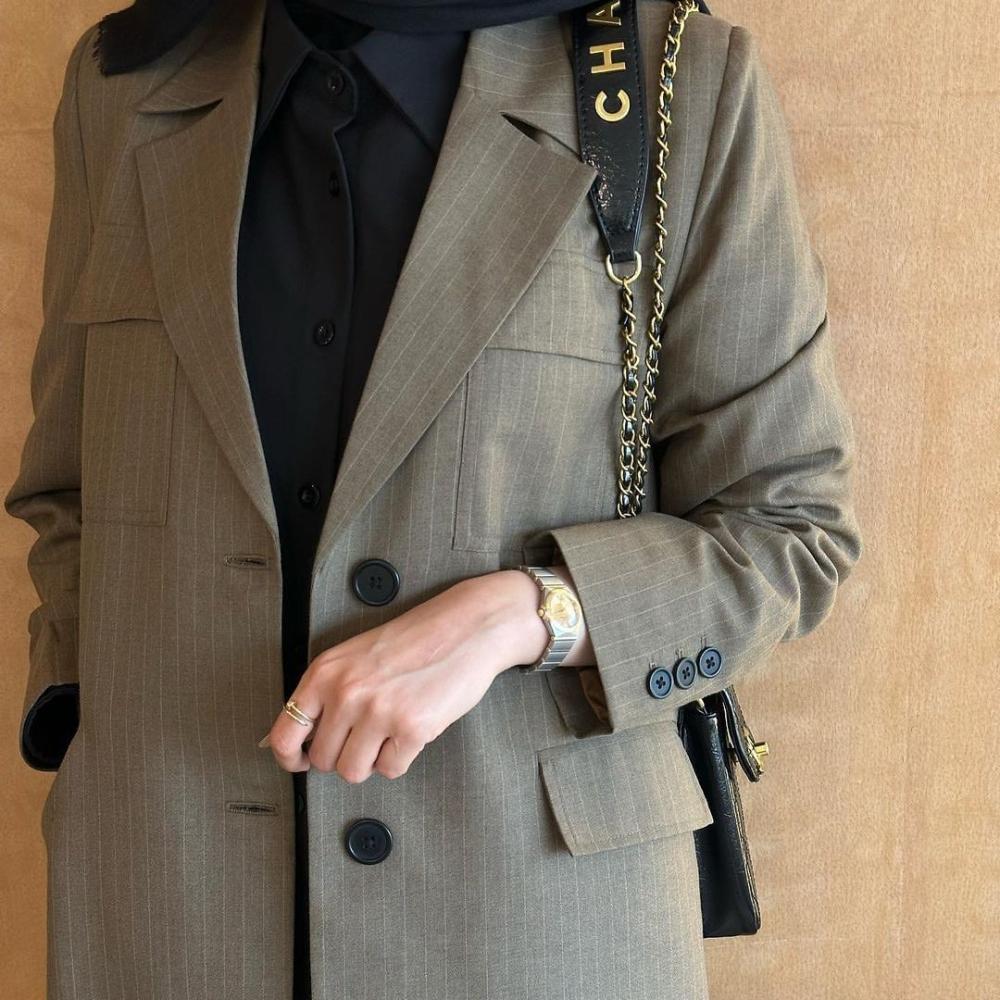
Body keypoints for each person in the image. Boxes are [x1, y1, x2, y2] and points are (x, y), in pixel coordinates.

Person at [4, 0, 863, 996]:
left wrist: (525, 614)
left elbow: (788, 527)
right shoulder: (124, 82)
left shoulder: (672, 80)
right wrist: (88, 723)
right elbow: (71, 488)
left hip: (533, 927)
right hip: (163, 915)